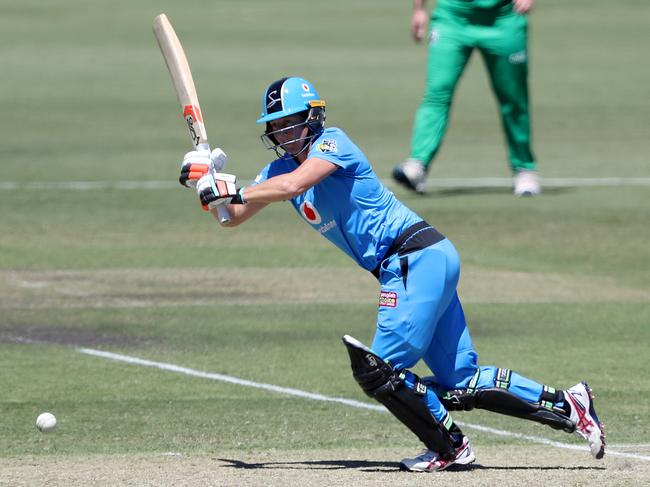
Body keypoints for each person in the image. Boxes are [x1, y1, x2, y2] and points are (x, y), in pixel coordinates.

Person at [179, 77, 604, 471]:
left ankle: (450, 447)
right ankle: (570, 405)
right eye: (277, 126)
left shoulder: (333, 143)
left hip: (413, 256)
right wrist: (204, 183)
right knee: (460, 380)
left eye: (292, 122)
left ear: (313, 118)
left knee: (378, 369)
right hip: (418, 262)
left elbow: (293, 187)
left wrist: (229, 186)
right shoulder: (275, 172)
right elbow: (230, 217)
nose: (286, 133)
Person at [392, 0, 541, 196]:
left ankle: (524, 169)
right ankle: (418, 164)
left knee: (513, 99)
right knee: (437, 93)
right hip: (452, 17)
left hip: (503, 18)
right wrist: (419, 10)